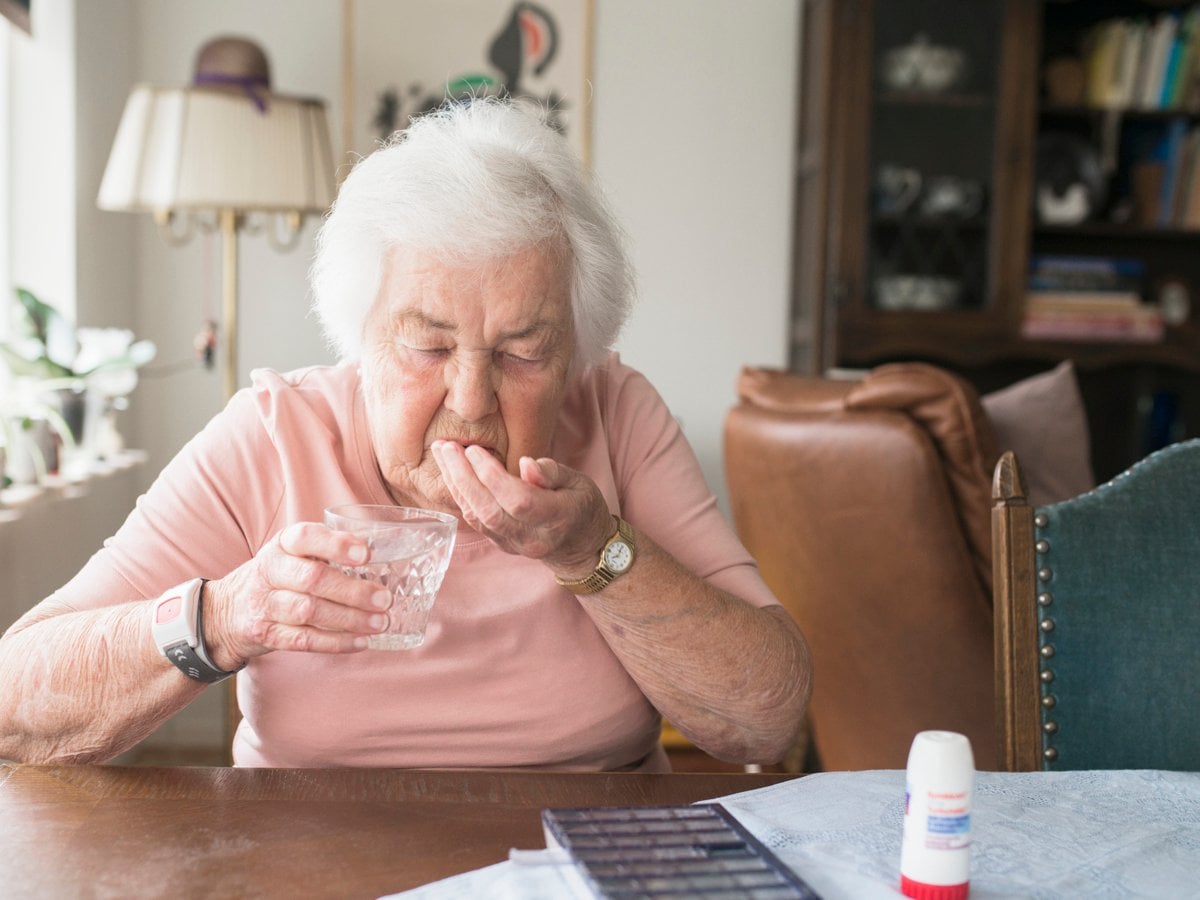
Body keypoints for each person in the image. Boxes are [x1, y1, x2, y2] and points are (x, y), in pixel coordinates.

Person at [0, 98, 812, 770]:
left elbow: (769, 720)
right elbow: (14, 702)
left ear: (578, 353)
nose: (471, 397)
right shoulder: (277, 435)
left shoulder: (617, 414)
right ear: (359, 335)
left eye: (523, 352)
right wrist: (225, 616)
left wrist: (593, 552)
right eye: (428, 346)